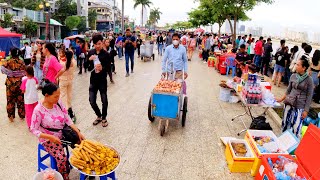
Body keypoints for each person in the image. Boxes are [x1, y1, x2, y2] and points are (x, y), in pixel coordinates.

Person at [30, 82, 85, 180]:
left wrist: (77, 131)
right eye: (56, 96)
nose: (58, 98)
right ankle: (64, 177)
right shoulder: (38, 110)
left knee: (82, 145)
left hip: (63, 132)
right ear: (47, 96)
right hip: (48, 139)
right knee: (62, 159)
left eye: (59, 95)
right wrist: (51, 137)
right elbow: (33, 129)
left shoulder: (58, 102)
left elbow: (67, 117)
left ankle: (85, 171)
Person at [276, 55, 314, 138]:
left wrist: (306, 110)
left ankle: (293, 148)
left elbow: (309, 95)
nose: (296, 66)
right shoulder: (293, 76)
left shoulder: (309, 80)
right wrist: (281, 99)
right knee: (285, 124)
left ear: (303, 68)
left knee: (296, 127)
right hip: (289, 103)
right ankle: (283, 143)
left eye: (298, 65)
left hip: (300, 107)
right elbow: (288, 90)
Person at [87, 34, 110, 127]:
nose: (97, 46)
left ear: (102, 43)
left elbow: (109, 68)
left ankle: (104, 118)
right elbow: (86, 67)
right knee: (91, 100)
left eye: (99, 44)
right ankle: (98, 115)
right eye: (95, 44)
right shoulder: (91, 52)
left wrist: (102, 68)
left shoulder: (106, 54)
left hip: (102, 81)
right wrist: (89, 60)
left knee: (104, 100)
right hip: (93, 81)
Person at [1, 48, 26, 122]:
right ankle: (21, 115)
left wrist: (10, 73)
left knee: (10, 100)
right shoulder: (21, 62)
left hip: (10, 84)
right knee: (20, 99)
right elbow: (24, 71)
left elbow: (2, 70)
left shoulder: (7, 61)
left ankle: (11, 117)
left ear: (11, 53)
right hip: (19, 83)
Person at [59, 50, 77, 120]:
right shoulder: (73, 62)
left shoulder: (62, 63)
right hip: (70, 80)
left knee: (63, 96)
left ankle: (65, 111)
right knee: (69, 95)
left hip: (63, 80)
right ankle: (70, 109)